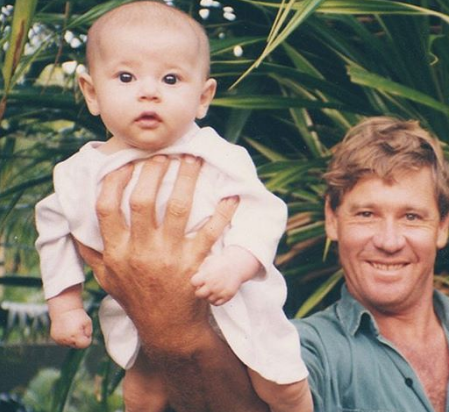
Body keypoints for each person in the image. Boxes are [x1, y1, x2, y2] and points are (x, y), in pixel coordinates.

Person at [78, 117, 449, 412]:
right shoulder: (297, 352)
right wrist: (169, 327)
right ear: (332, 219)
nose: (389, 241)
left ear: (443, 226)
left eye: (412, 217)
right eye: (366, 214)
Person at [33, 2, 310, 412]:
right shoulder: (79, 174)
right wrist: (65, 304)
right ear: (91, 92)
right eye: (126, 77)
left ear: (202, 97)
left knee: (282, 385)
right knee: (142, 394)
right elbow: (53, 232)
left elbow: (262, 211)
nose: (149, 91)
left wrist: (235, 264)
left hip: (237, 300)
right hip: (140, 307)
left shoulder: (218, 156)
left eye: (170, 78)